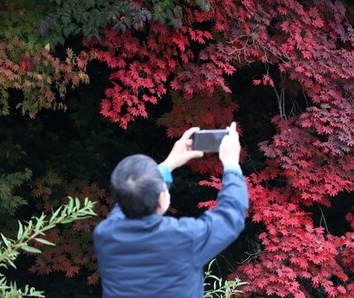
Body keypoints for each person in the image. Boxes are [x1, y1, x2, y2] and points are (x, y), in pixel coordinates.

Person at [94, 122, 248, 298]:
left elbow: (127, 199)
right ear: (161, 198)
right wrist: (231, 165)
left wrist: (169, 164)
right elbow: (231, 216)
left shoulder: (104, 234)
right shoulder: (183, 237)